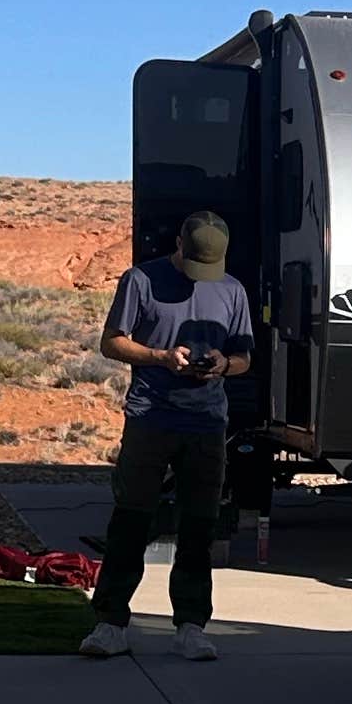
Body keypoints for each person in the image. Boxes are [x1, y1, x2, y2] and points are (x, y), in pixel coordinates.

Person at [80, 212, 255, 661]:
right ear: (177, 242)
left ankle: (192, 626)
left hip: (206, 424)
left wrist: (222, 364)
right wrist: (160, 356)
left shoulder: (233, 290)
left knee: (199, 526)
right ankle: (111, 623)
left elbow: (243, 358)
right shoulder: (140, 281)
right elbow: (111, 342)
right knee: (132, 519)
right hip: (150, 418)